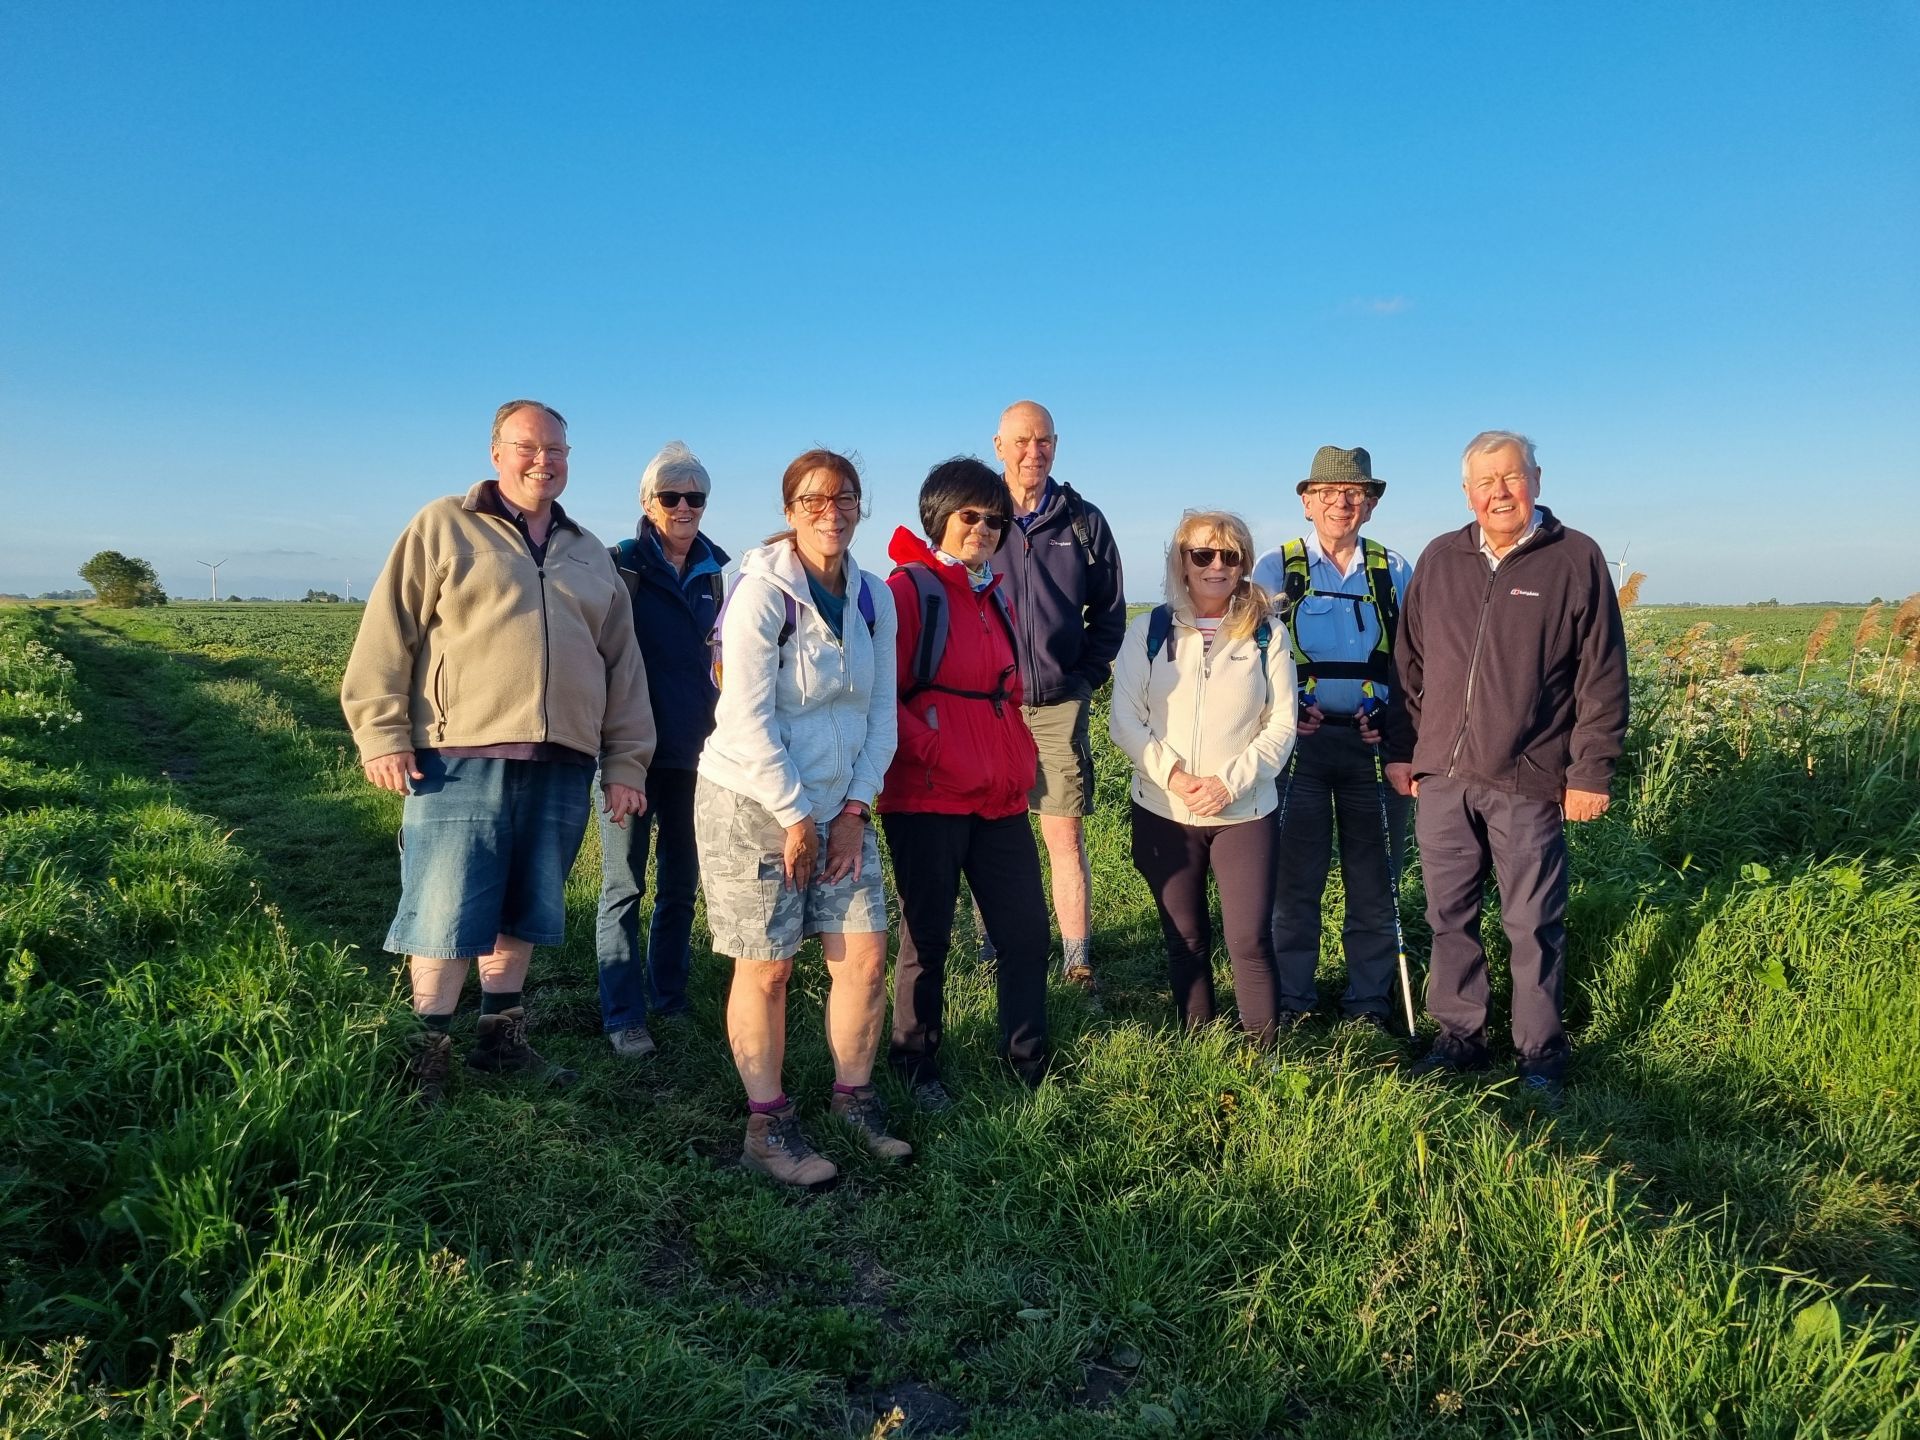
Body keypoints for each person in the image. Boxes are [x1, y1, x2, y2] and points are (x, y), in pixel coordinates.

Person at [342, 399, 655, 1106]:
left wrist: (626, 762)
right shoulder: (443, 526)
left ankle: (499, 1037)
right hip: (459, 754)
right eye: (529, 447)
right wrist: (382, 732)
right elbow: (388, 631)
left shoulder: (587, 552)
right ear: (496, 452)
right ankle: (425, 1052)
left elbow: (623, 667)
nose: (544, 460)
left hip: (563, 757)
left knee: (528, 905)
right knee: (446, 906)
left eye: (558, 450)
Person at [695, 449, 904, 1188]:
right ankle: (768, 1124)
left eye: (844, 497)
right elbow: (746, 721)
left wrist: (852, 811)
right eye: (813, 500)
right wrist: (795, 817)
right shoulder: (762, 594)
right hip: (755, 803)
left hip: (837, 806)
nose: (831, 511)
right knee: (771, 966)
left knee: (865, 956)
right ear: (789, 512)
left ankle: (854, 1102)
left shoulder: (874, 598)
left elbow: (883, 715)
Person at [1399, 430, 1629, 1101]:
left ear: (1535, 479)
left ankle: (1539, 1055)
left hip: (1528, 777)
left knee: (1531, 921)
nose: (1499, 492)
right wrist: (1403, 750)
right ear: (1466, 493)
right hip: (1442, 776)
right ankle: (1460, 1036)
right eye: (1485, 482)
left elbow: (1602, 675)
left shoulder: (1574, 559)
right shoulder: (1440, 558)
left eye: (1511, 477)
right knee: (1449, 914)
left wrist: (1590, 771)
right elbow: (1409, 663)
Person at [880, 458, 1051, 1110]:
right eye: (969, 515)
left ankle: (1027, 1061)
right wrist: (941, 752)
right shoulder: (909, 591)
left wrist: (1016, 760)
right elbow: (882, 699)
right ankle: (915, 1065)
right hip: (927, 793)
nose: (983, 527)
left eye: (994, 518)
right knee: (927, 937)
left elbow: (1002, 695)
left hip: (998, 795)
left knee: (1027, 932)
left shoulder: (994, 593)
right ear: (940, 517)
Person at [1110, 511, 1298, 1043]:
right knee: (1185, 937)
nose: (1216, 566)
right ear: (1182, 562)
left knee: (1249, 940)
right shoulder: (1147, 630)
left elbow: (1281, 723)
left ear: (1242, 564)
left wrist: (1227, 783)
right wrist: (1173, 776)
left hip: (1245, 811)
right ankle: (1200, 1041)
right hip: (1164, 810)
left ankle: (1264, 1052)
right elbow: (1124, 718)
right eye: (1202, 555)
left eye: (1229, 556)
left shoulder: (1268, 633)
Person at [1250, 446, 1414, 1031]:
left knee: (1375, 882)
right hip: (1299, 750)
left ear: (1369, 505)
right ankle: (1292, 999)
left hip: (1375, 748)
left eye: (1354, 494)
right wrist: (1284, 711)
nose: (1341, 503)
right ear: (1306, 503)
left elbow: (1417, 662)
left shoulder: (1394, 570)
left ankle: (1368, 1003)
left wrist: (1396, 723)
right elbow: (1252, 655)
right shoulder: (1275, 569)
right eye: (1328, 494)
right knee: (1295, 880)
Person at [596, 441, 730, 1058]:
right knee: (624, 886)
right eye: (671, 496)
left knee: (681, 883)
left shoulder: (718, 572)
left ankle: (669, 998)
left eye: (694, 497)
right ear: (647, 503)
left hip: (695, 754)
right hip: (629, 753)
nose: (684, 506)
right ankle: (623, 1013)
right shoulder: (619, 567)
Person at [990, 400, 1126, 993]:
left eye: (1042, 441)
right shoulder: (976, 515)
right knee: (989, 830)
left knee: (1063, 833)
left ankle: (1077, 959)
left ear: (1056, 445)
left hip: (1055, 703)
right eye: (1020, 441)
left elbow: (1112, 614)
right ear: (999, 446)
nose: (1032, 452)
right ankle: (995, 943)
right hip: (986, 705)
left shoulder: (1083, 521)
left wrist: (1084, 680)